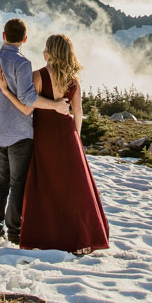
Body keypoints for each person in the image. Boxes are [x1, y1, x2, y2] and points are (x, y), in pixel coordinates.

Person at [12, 33, 111, 255]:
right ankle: (80, 237)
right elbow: (78, 113)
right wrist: (75, 139)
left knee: (47, 186)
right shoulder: (73, 81)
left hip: (45, 136)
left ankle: (48, 237)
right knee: (74, 188)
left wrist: (5, 91)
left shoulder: (38, 75)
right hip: (68, 136)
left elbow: (28, 105)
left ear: (50, 51)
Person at [0, 17, 66, 244]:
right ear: (25, 39)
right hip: (18, 132)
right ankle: (15, 232)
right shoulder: (23, 64)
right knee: (18, 183)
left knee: (0, 182)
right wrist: (56, 105)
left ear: (3, 35)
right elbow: (28, 98)